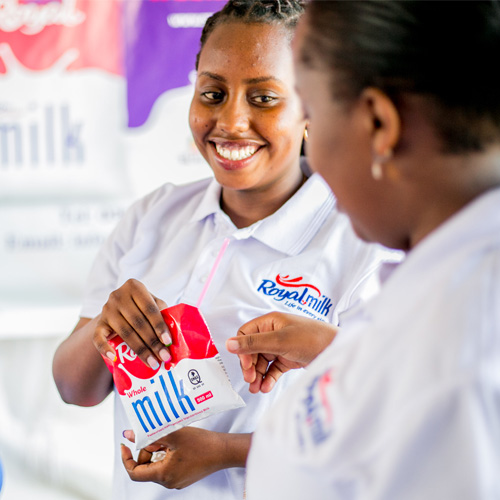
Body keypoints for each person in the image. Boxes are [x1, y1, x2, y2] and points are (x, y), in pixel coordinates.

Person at [52, 1, 400, 499]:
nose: (231, 121)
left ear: (311, 108)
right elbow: (75, 389)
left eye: (264, 98)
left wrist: (225, 451)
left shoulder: (362, 240)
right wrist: (106, 329)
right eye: (212, 93)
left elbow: (387, 427)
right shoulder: (154, 217)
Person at [222, 1, 500, 498]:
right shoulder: (440, 287)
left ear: (379, 124)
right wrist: (338, 352)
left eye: (310, 113)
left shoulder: (464, 355)